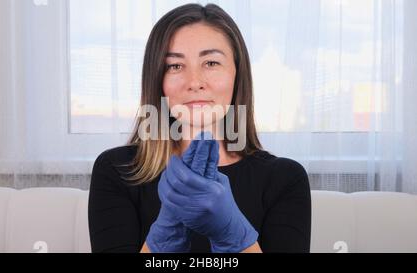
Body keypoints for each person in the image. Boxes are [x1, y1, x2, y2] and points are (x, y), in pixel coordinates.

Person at [88, 3, 311, 253]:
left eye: (211, 63)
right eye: (175, 66)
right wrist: (164, 237)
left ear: (238, 74)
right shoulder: (117, 170)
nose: (194, 82)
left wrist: (234, 236)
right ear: (157, 80)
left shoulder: (284, 179)